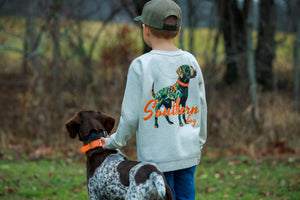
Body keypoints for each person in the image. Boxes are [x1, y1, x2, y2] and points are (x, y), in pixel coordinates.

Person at [102, 0, 207, 199]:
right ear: (178, 31)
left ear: (146, 29)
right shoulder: (190, 61)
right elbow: (201, 106)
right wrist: (199, 144)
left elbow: (130, 116)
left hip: (156, 158)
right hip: (187, 152)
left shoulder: (141, 65)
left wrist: (114, 142)